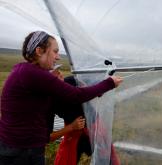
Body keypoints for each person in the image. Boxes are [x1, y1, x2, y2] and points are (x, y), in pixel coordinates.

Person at [0, 31, 122, 165]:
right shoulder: (31, 73)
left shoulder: (24, 71)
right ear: (39, 51)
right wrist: (109, 83)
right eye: (55, 51)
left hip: (18, 147)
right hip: (22, 151)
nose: (58, 57)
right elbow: (76, 95)